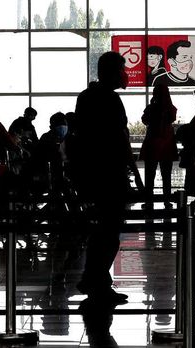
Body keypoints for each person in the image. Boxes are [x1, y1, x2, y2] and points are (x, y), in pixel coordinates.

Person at [72, 51, 133, 304]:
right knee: (109, 232)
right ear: (110, 71)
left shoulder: (87, 97)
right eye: (122, 68)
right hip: (108, 175)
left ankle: (95, 279)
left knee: (101, 232)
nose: (125, 74)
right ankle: (97, 281)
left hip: (92, 174)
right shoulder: (109, 99)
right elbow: (117, 139)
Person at [139, 84, 178, 208]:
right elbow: (172, 118)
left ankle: (149, 201)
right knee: (166, 175)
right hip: (167, 144)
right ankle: (167, 201)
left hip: (152, 144)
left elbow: (145, 120)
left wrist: (151, 104)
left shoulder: (151, 108)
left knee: (149, 175)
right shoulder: (171, 108)